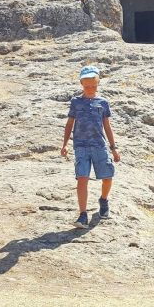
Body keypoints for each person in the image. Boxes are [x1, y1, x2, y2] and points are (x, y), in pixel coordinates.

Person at [60, 65, 121, 229]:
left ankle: (104, 199)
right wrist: (65, 144)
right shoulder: (76, 102)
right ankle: (82, 214)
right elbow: (69, 123)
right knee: (82, 179)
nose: (90, 89)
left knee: (107, 177)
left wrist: (114, 148)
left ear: (98, 84)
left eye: (93, 86)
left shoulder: (102, 103)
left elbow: (107, 126)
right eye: (87, 86)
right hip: (81, 147)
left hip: (99, 146)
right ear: (81, 84)